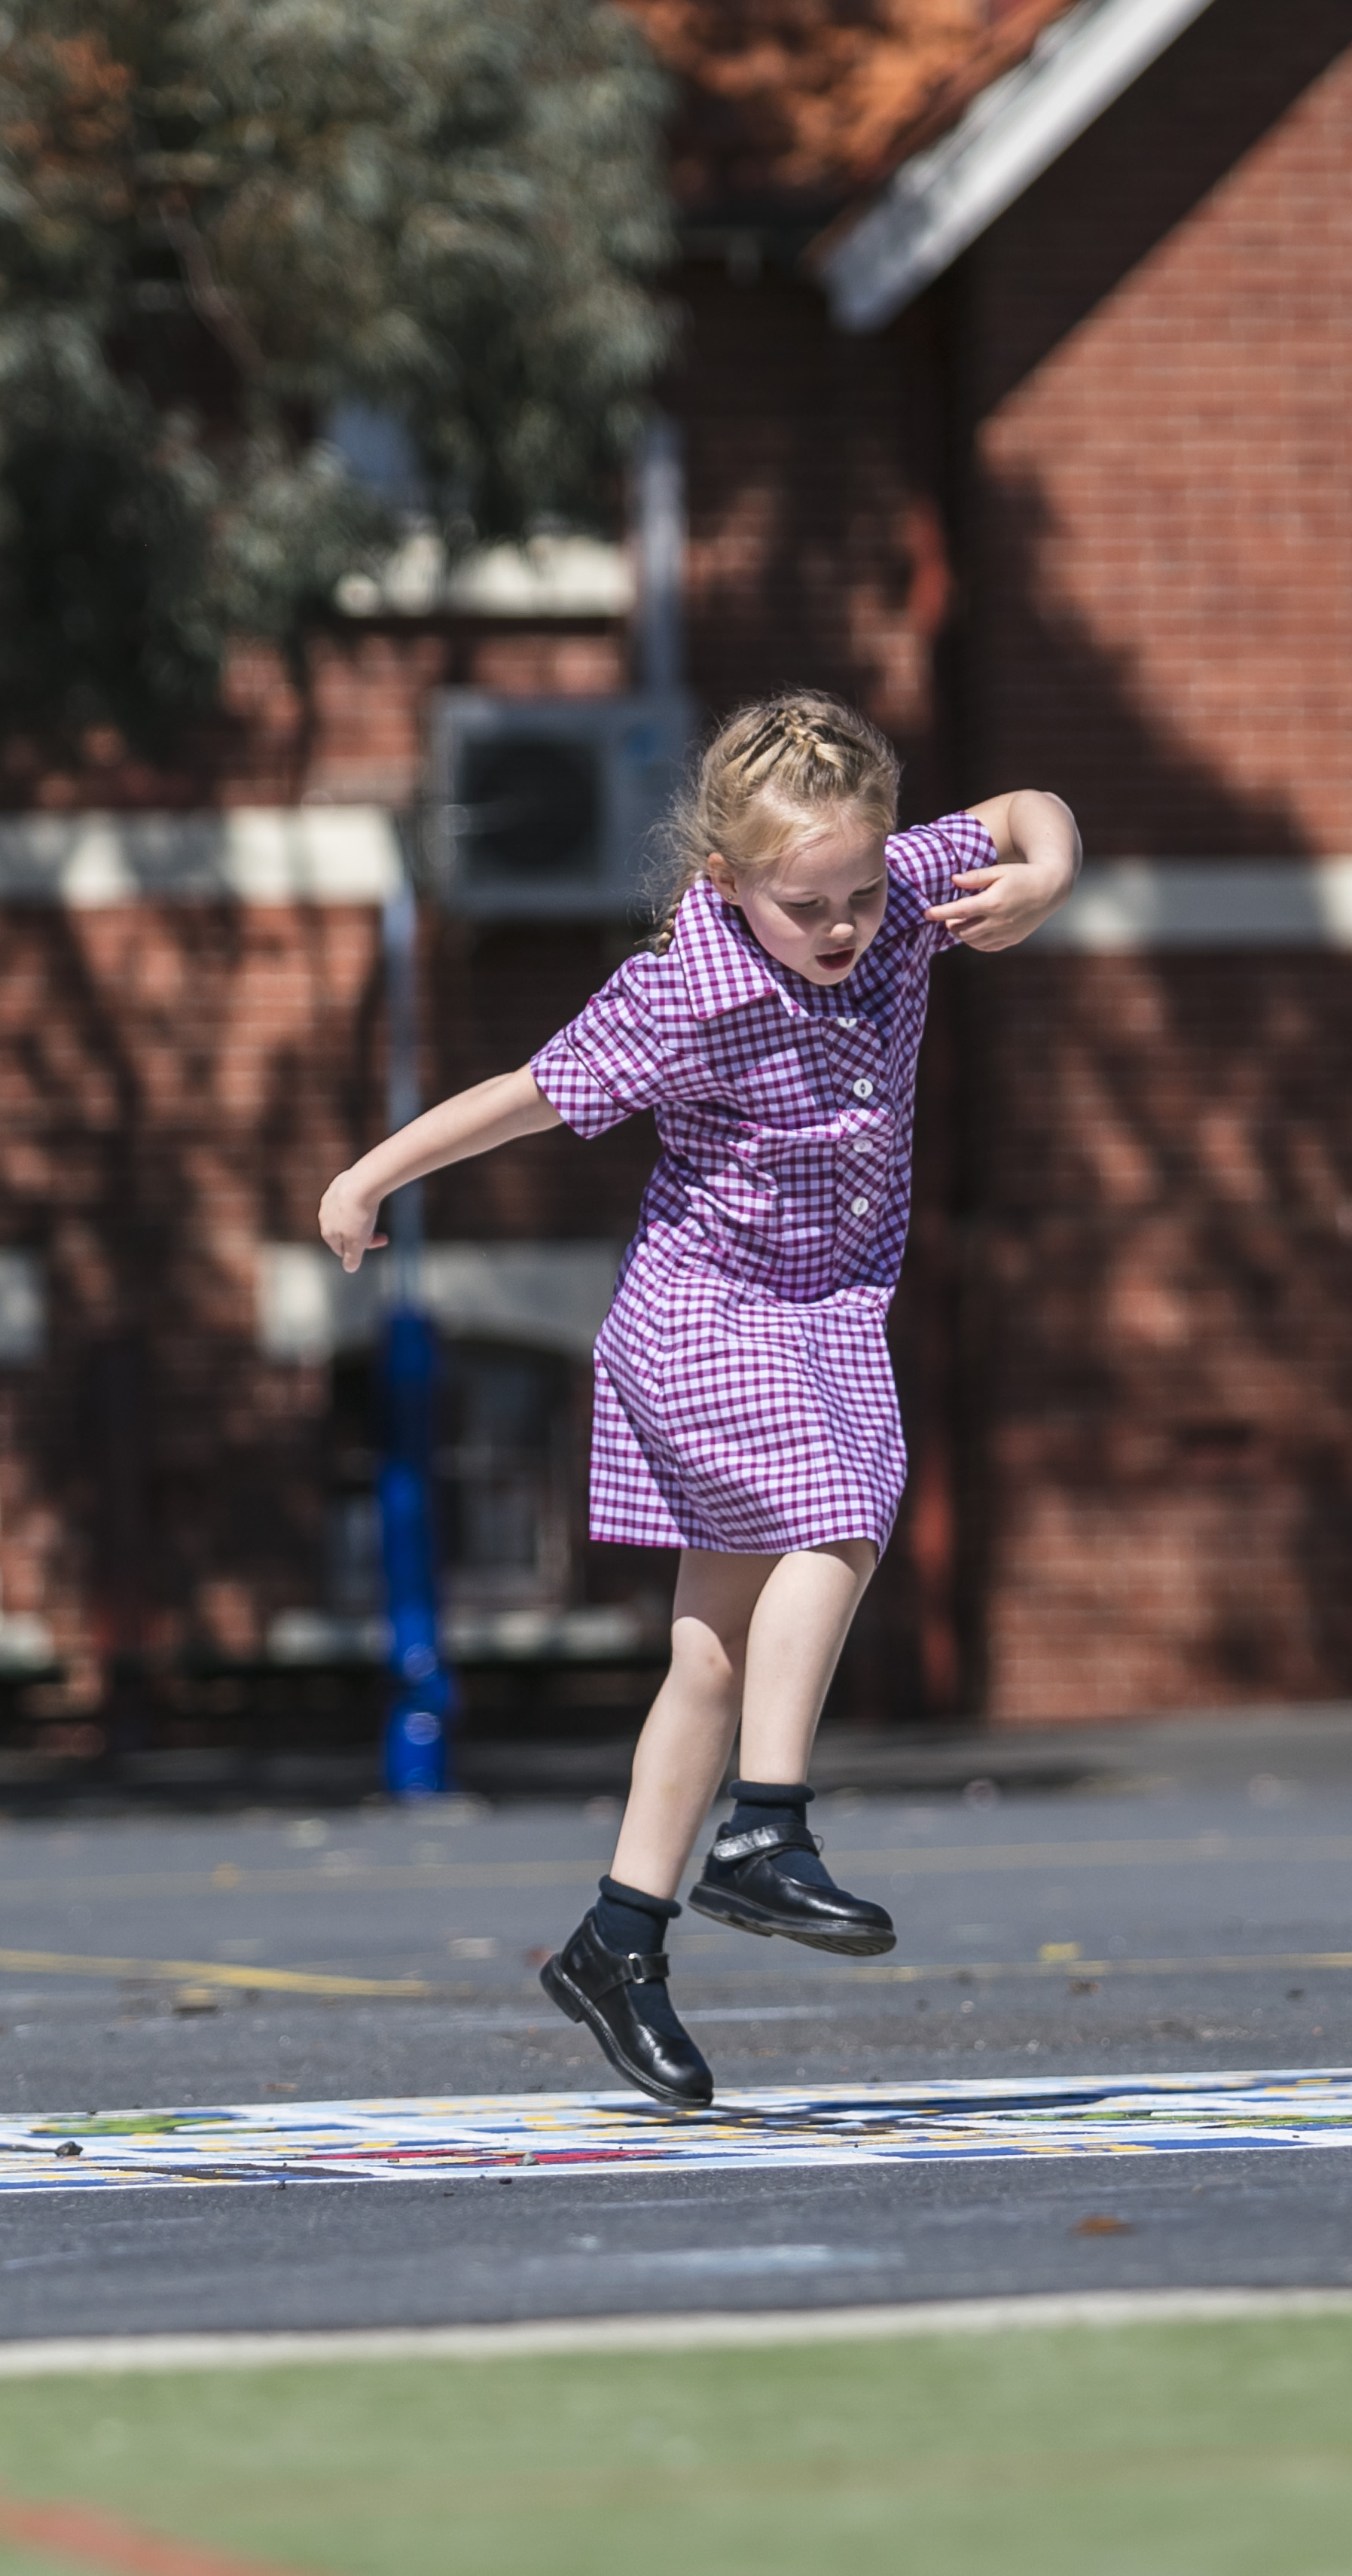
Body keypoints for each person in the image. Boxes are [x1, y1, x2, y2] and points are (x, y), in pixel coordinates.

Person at [318, 694, 1079, 2104]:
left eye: (861, 893)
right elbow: (526, 1092)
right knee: (840, 1518)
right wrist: (371, 1177)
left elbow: (1031, 804)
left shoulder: (905, 888)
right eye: (809, 905)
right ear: (727, 882)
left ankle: (618, 1938)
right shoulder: (686, 987)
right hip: (703, 1321)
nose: (846, 927)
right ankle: (765, 1829)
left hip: (831, 1315)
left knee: (714, 1657)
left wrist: (1043, 876)